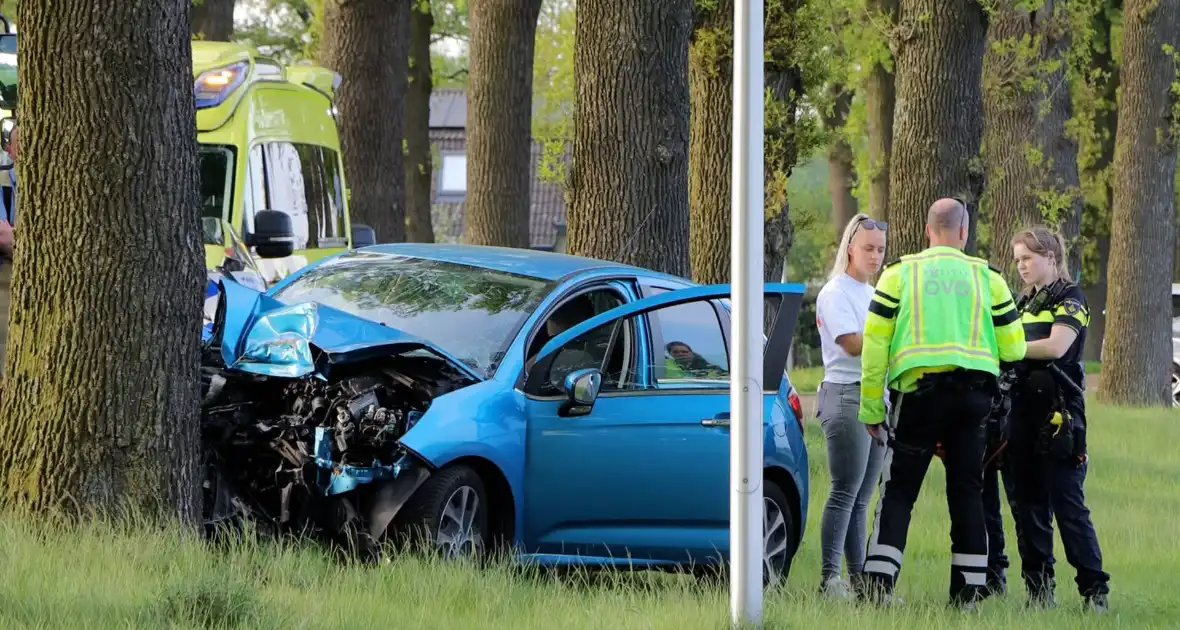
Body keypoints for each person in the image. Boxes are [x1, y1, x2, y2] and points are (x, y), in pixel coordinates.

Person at [857, 198, 1026, 609]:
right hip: (973, 400)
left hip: (918, 396)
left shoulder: (899, 274)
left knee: (899, 491)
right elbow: (1015, 348)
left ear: (928, 231)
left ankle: (878, 588)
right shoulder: (988, 278)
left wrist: (871, 409)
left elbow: (875, 346)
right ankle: (967, 595)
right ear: (964, 233)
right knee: (968, 490)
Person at [1005, 226, 1110, 612]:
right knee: (1027, 506)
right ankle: (1038, 591)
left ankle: (1094, 592)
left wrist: (1007, 346)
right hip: (1020, 413)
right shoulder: (1020, 303)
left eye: (1028, 258)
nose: (1022, 267)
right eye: (1017, 260)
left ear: (1051, 256)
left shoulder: (1071, 297)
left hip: (1059, 414)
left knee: (1068, 505)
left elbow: (1056, 345)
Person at [813, 213, 888, 599]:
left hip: (876, 396)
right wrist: (894, 337)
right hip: (846, 394)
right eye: (868, 249)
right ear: (850, 248)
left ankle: (860, 583)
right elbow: (852, 343)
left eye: (879, 250)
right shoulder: (835, 292)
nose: (874, 256)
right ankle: (830, 579)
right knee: (844, 491)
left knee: (862, 496)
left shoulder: (872, 293)